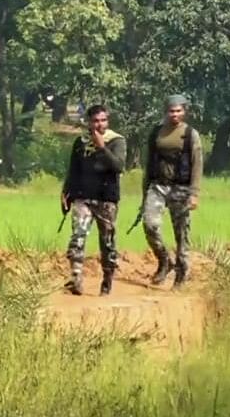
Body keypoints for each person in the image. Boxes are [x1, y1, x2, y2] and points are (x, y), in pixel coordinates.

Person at [61, 104, 126, 296]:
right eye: (96, 121)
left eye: (103, 120)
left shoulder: (116, 141)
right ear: (89, 122)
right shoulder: (80, 142)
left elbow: (118, 166)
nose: (99, 124)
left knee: (107, 243)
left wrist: (101, 147)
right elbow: (73, 170)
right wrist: (66, 192)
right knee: (78, 236)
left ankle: (107, 281)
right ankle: (76, 278)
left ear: (108, 121)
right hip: (83, 197)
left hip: (107, 199)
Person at [141, 94, 203, 289]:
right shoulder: (157, 132)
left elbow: (197, 164)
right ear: (165, 111)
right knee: (149, 224)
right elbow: (149, 162)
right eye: (171, 111)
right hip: (158, 185)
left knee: (181, 233)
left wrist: (194, 193)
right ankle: (164, 260)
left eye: (178, 111)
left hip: (181, 187)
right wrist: (145, 191)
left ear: (184, 112)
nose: (174, 114)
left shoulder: (190, 134)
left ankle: (182, 273)